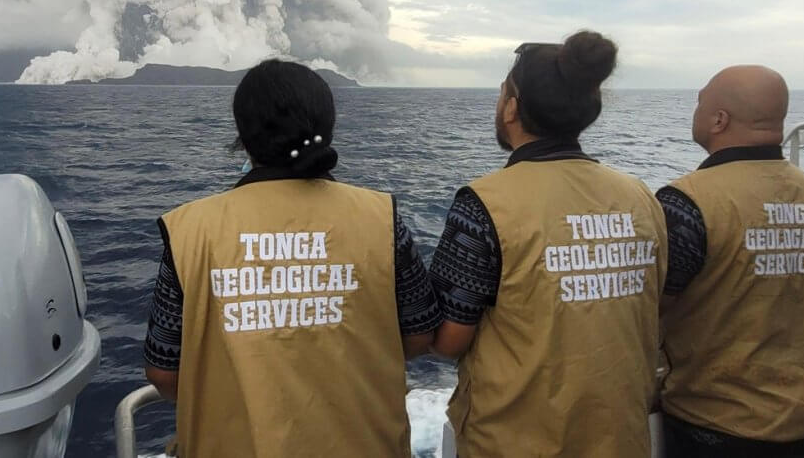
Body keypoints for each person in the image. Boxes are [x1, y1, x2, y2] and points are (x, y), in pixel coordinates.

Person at [143, 58, 442, 457]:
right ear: (328, 128)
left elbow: (164, 372)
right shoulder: (382, 219)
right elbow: (420, 335)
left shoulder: (190, 230)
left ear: (243, 136)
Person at [428, 30, 668, 458]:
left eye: (502, 93)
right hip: (620, 438)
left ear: (512, 108)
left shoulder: (484, 204)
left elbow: (449, 339)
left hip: (514, 442)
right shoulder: (641, 198)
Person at [657, 65, 804, 458]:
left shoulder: (687, 202)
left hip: (716, 422)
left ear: (719, 120)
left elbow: (654, 306)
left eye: (699, 101)